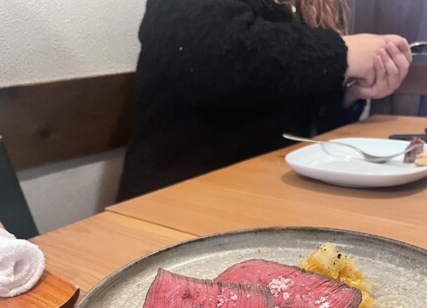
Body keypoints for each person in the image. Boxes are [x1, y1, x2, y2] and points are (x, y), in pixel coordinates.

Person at [117, 0, 411, 200]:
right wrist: (341, 53)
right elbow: (217, 59)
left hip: (273, 194)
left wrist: (347, 96)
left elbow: (303, 122)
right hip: (176, 197)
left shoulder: (304, 8)